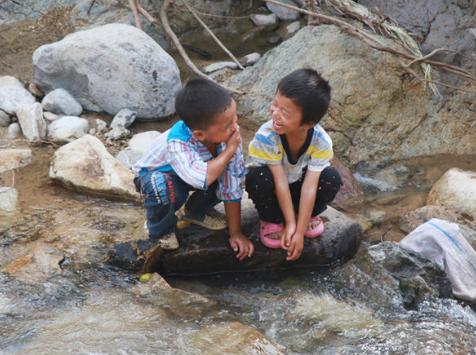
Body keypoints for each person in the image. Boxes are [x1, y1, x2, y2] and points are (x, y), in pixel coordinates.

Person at [134, 78, 254, 260]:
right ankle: (159, 230)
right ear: (199, 134)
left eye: (235, 117)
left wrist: (235, 233)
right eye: (228, 125)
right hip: (157, 177)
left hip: (196, 173)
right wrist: (229, 151)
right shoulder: (177, 142)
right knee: (164, 187)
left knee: (231, 173)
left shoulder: (229, 137)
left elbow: (232, 185)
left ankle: (194, 212)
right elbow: (200, 178)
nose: (235, 126)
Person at [245, 68, 342, 261]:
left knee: (331, 178)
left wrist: (299, 231)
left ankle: (305, 217)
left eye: (285, 112)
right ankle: (273, 219)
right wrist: (290, 225)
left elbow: (310, 186)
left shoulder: (321, 141)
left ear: (307, 124)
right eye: (275, 105)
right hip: (275, 189)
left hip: (300, 188)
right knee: (258, 178)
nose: (275, 114)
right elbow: (279, 181)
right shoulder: (266, 136)